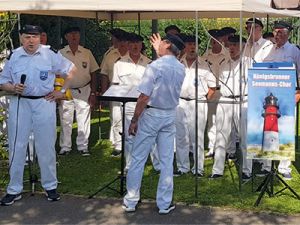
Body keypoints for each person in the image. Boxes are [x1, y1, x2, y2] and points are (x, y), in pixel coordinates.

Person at [0, 25, 77, 205]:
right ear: (21, 38)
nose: (31, 41)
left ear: (40, 38)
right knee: (17, 145)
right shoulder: (15, 55)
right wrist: (11, 87)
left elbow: (71, 70)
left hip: (44, 102)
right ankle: (14, 189)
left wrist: (62, 91)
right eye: (27, 37)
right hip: (20, 102)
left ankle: (50, 186)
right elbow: (3, 80)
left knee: (46, 146)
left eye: (35, 37)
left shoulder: (49, 54)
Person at [123, 33, 185, 214]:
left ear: (166, 45)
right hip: (169, 113)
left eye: (161, 43)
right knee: (166, 160)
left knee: (138, 157)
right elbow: (168, 64)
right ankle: (164, 204)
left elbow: (144, 96)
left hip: (152, 113)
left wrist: (135, 119)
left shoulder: (154, 66)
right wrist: (161, 50)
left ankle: (131, 200)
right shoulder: (180, 67)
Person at [111, 33, 157, 170]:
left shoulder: (149, 63)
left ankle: (157, 164)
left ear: (142, 45)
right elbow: (115, 85)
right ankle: (130, 164)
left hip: (147, 104)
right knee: (130, 135)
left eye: (138, 43)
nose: (135, 46)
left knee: (151, 134)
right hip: (129, 104)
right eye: (132, 43)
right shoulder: (119, 64)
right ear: (128, 45)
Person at [210, 35, 252, 181]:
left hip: (243, 100)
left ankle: (247, 170)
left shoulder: (249, 63)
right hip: (225, 100)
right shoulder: (223, 64)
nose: (232, 48)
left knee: (245, 137)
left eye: (235, 45)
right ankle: (217, 169)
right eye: (230, 45)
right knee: (221, 135)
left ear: (242, 46)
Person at [174, 35, 216, 177]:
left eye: (194, 44)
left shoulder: (204, 64)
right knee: (181, 136)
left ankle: (198, 168)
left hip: (198, 102)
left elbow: (213, 87)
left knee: (197, 137)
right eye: (189, 44)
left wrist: (204, 100)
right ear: (184, 46)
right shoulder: (178, 63)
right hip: (180, 102)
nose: (192, 47)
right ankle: (182, 167)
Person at [264, 21, 300, 180]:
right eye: (275, 32)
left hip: (288, 96)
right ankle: (267, 165)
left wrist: (298, 95)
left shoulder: (294, 51)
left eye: (280, 32)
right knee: (269, 128)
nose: (277, 35)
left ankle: (284, 167)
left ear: (288, 34)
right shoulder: (268, 50)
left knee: (286, 131)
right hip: (270, 97)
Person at [58, 27, 99, 156]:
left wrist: (93, 92)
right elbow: (56, 73)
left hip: (84, 89)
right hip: (66, 90)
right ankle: (65, 147)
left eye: (76, 34)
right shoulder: (60, 53)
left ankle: (83, 146)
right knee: (65, 118)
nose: (74, 36)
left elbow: (93, 72)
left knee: (84, 118)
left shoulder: (86, 52)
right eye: (71, 34)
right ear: (66, 37)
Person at [244, 18, 274, 176]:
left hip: (263, 91)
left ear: (260, 29)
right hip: (248, 91)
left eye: (253, 28)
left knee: (267, 129)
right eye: (247, 28)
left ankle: (267, 165)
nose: (250, 31)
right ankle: (253, 160)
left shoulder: (267, 46)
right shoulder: (246, 47)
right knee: (252, 129)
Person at [100, 30, 129, 157]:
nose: (122, 44)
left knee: (130, 118)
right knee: (117, 118)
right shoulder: (110, 55)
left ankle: (131, 143)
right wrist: (104, 93)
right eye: (120, 41)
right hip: (115, 90)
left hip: (131, 91)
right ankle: (118, 145)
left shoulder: (134, 55)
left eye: (125, 41)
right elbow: (104, 74)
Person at [202, 29, 229, 158]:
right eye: (212, 39)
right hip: (211, 90)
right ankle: (212, 148)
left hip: (225, 91)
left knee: (225, 121)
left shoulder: (228, 54)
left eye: (216, 39)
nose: (214, 41)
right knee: (211, 121)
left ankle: (227, 149)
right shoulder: (205, 56)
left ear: (221, 40)